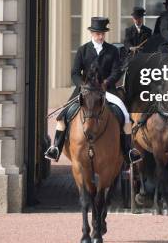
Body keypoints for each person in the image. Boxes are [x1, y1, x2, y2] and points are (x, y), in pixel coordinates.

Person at [44, 17, 142, 165]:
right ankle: (56, 147)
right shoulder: (83, 50)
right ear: (91, 33)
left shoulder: (112, 51)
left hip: (106, 90)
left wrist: (106, 82)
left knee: (125, 115)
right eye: (97, 33)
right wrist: (82, 86)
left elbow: (116, 71)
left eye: (102, 33)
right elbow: (75, 73)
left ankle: (128, 150)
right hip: (85, 91)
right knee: (63, 115)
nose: (100, 36)